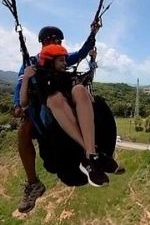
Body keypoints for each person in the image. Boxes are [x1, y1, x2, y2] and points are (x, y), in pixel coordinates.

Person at [12, 24, 117, 212]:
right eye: (51, 41)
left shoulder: (63, 58)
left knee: (87, 100)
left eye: (58, 41)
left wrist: (93, 33)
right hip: (42, 107)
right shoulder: (32, 63)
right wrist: (17, 104)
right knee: (24, 131)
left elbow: (82, 53)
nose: (55, 44)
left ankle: (93, 153)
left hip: (65, 102)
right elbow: (20, 86)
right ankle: (33, 183)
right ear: (44, 43)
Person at [20, 43, 111, 187]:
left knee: (80, 90)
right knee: (55, 99)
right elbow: (24, 103)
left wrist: (92, 58)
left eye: (65, 60)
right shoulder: (37, 77)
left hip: (70, 112)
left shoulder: (68, 77)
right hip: (52, 118)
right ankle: (91, 152)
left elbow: (84, 70)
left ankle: (91, 154)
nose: (65, 63)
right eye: (61, 61)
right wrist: (26, 78)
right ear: (51, 62)